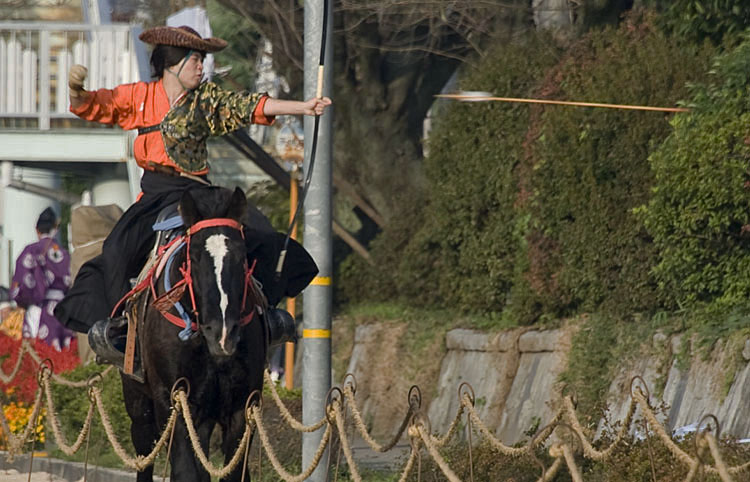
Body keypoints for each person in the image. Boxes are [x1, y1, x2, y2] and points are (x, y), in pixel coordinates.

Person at [54, 25, 331, 372]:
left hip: (198, 193)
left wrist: (304, 107)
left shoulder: (205, 100)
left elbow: (247, 105)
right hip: (156, 193)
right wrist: (76, 91)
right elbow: (96, 106)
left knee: (258, 232)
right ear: (172, 64)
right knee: (116, 250)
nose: (202, 67)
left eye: (202, 60)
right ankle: (119, 328)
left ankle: (267, 317)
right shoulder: (140, 97)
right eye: (195, 60)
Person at [10, 207, 75, 351]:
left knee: (37, 355)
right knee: (64, 355)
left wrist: (22, 299)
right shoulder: (65, 254)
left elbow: (20, 283)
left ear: (37, 230)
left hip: (37, 308)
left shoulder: (30, 251)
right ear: (55, 228)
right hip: (63, 309)